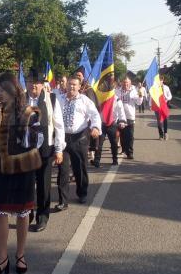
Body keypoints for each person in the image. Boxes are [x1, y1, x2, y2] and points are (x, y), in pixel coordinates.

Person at [0, 72, 43, 274]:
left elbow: (39, 140)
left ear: (11, 90)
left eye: (0, 90)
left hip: (23, 169)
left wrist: (26, 131)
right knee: (0, 213)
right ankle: (1, 258)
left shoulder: (29, 111)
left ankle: (20, 254)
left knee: (23, 214)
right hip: (2, 169)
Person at [25, 69, 65, 232]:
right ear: (26, 83)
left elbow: (59, 126)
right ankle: (26, 214)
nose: (33, 85)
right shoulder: (20, 100)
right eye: (30, 82)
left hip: (45, 148)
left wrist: (59, 149)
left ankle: (42, 216)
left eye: (37, 82)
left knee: (43, 184)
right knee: (26, 184)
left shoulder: (52, 99)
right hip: (25, 149)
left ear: (42, 85)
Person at [56, 75, 102, 208]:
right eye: (69, 84)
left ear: (79, 86)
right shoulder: (59, 99)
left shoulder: (84, 100)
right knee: (63, 171)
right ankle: (63, 201)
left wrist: (95, 127)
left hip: (79, 138)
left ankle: (82, 193)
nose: (71, 87)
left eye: (74, 85)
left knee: (79, 169)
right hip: (63, 138)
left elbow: (94, 115)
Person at [91, 73, 126, 167]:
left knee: (114, 143)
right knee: (99, 144)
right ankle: (97, 161)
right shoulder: (100, 98)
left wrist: (122, 120)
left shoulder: (117, 99)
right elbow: (95, 110)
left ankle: (115, 160)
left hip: (112, 123)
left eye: (110, 88)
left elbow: (121, 111)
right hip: (101, 123)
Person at [117, 75, 143, 159]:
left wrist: (140, 94)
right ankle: (124, 149)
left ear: (130, 83)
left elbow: (139, 102)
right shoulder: (117, 91)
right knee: (122, 135)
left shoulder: (134, 91)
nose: (125, 84)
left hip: (130, 116)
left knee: (130, 136)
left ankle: (130, 153)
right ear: (121, 83)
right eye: (124, 82)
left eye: (127, 82)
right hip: (121, 116)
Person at [156, 76, 173, 140]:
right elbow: (152, 97)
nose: (160, 81)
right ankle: (161, 134)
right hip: (157, 106)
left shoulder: (166, 87)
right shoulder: (155, 88)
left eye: (161, 80)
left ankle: (165, 133)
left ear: (163, 80)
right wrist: (150, 105)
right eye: (159, 80)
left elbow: (170, 96)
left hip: (164, 105)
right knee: (159, 121)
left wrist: (167, 98)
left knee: (165, 119)